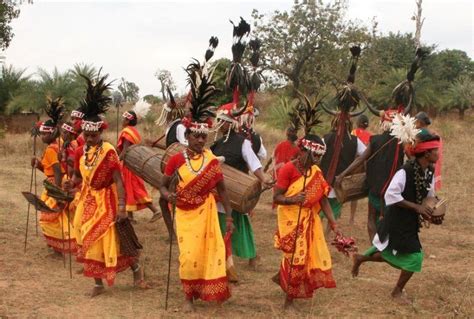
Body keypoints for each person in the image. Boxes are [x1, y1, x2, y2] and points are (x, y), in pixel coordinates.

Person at [65, 73, 149, 297]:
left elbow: (119, 181)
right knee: (88, 238)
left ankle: (137, 270)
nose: (90, 138)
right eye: (87, 134)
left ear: (101, 132)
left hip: (108, 200)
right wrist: (71, 185)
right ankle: (98, 283)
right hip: (87, 200)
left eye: (93, 135)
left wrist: (122, 207)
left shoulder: (109, 151)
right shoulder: (82, 152)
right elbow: (79, 177)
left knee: (115, 239)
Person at [159, 58, 232, 311]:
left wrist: (230, 217)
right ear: (187, 135)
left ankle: (207, 292)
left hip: (207, 212)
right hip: (184, 214)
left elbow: (222, 190)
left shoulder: (212, 161)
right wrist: (168, 196)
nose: (201, 140)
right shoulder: (177, 159)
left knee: (208, 254)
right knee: (188, 256)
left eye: (204, 136)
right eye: (196, 136)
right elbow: (163, 186)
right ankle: (188, 297)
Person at [351, 133, 441, 304]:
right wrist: (417, 208)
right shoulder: (405, 171)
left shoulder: (429, 171)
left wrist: (433, 214)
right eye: (435, 150)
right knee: (415, 258)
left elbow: (429, 197)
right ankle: (397, 291)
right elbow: (391, 195)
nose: (438, 153)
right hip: (396, 221)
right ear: (427, 153)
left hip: (410, 222)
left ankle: (361, 258)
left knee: (390, 251)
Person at [273, 134, 338, 309]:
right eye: (315, 155)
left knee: (299, 258)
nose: (318, 159)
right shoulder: (288, 169)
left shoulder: (316, 172)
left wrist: (334, 224)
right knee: (296, 259)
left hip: (308, 221)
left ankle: (285, 281)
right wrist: (293, 199)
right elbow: (276, 197)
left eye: (320, 156)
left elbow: (323, 200)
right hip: (290, 219)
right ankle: (288, 303)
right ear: (302, 151)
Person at [211, 103, 273, 270]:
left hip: (236, 192)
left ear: (229, 123)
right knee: (219, 225)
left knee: (241, 227)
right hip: (218, 191)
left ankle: (253, 256)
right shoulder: (216, 144)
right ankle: (223, 259)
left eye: (221, 121)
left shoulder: (242, 143)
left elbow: (254, 163)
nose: (218, 124)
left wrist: (263, 178)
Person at [336, 110, 405, 241]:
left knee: (371, 218)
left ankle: (375, 246)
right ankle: (387, 244)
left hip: (375, 188)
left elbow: (360, 159)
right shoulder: (401, 143)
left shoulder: (375, 140)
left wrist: (342, 175)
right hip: (394, 189)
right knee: (392, 217)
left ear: (382, 123)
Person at [32, 98, 77, 257]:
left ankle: (60, 248)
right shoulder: (60, 143)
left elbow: (57, 171)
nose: (42, 136)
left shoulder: (52, 148)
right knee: (59, 216)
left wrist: (56, 192)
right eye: (41, 133)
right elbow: (51, 170)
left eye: (44, 133)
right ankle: (59, 246)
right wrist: (38, 165)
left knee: (48, 216)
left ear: (52, 133)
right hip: (60, 181)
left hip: (56, 184)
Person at [117, 110, 161, 223]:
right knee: (128, 189)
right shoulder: (133, 131)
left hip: (128, 163)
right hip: (132, 162)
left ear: (128, 120)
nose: (122, 121)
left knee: (135, 189)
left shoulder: (127, 132)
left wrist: (117, 160)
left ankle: (155, 211)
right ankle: (130, 217)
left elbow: (125, 150)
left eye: (124, 119)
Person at [348, 114, 372, 224]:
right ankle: (352, 218)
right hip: (364, 166)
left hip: (352, 163)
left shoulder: (353, 132)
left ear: (358, 123)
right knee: (355, 193)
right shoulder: (370, 136)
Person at [415, 111, 443, 191]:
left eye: (414, 122)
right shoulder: (434, 134)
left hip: (424, 167)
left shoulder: (421, 135)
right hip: (432, 166)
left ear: (418, 122)